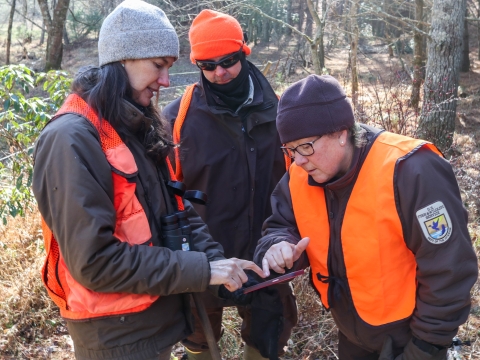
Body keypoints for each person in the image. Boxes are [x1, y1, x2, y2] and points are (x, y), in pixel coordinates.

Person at [32, 2, 265, 360]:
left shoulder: (129, 125)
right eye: (158, 66)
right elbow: (95, 262)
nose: (166, 81)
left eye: (169, 68)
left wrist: (220, 266)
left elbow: (177, 208)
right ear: (122, 59)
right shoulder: (72, 138)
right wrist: (202, 270)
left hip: (150, 324)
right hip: (114, 337)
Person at [254, 74, 479, 360]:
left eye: (305, 146)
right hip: (353, 338)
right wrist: (277, 246)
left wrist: (424, 348)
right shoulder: (302, 172)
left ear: (341, 133)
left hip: (412, 341)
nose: (297, 160)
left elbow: (449, 269)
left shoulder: (411, 171)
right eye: (290, 149)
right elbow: (280, 225)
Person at [162, 9, 297, 360]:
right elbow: (166, 196)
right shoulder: (177, 120)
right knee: (198, 340)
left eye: (229, 60)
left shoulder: (283, 114)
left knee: (269, 339)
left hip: (267, 258)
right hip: (203, 262)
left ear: (244, 52)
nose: (220, 72)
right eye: (208, 65)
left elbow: (300, 187)